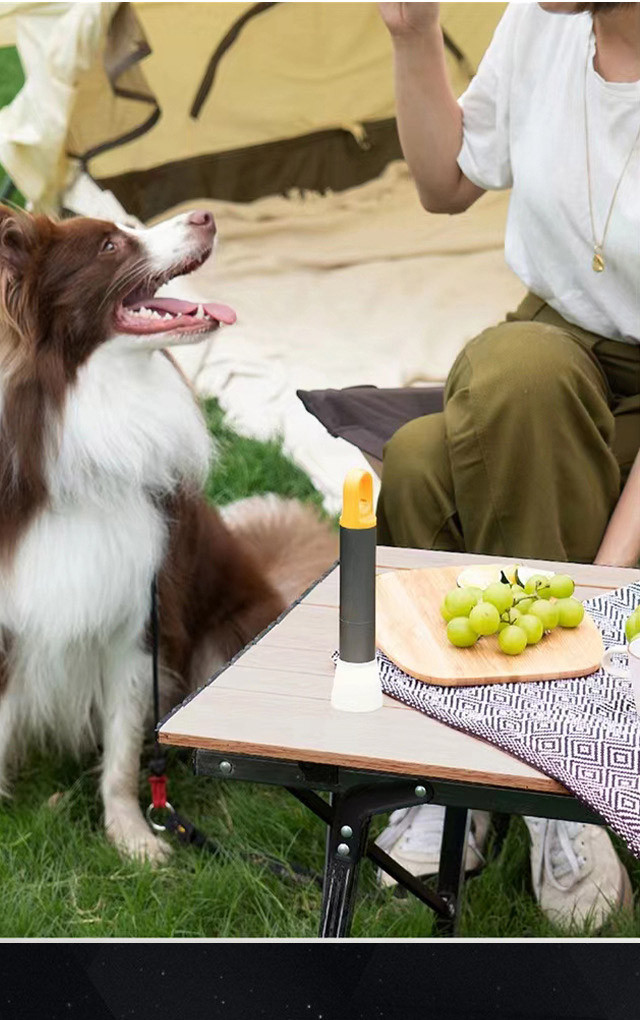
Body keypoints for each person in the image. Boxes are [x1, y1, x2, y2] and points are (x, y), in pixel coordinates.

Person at [375, 1, 639, 929]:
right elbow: (446, 182)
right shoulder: (542, 23)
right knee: (416, 459)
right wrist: (412, 36)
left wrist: (602, 587)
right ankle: (470, 766)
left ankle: (559, 774)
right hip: (556, 354)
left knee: (503, 388)